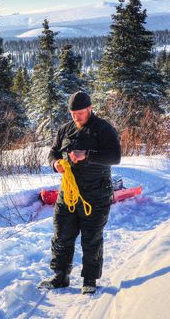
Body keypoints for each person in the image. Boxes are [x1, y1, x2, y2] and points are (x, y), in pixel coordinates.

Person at [40, 91, 121, 294]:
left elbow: (115, 157)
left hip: (96, 194)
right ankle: (60, 276)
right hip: (68, 193)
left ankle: (89, 280)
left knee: (91, 237)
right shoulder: (65, 130)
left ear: (90, 109)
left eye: (81, 112)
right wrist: (55, 163)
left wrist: (87, 155)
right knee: (61, 235)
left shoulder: (103, 129)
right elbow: (53, 152)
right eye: (73, 113)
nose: (77, 116)